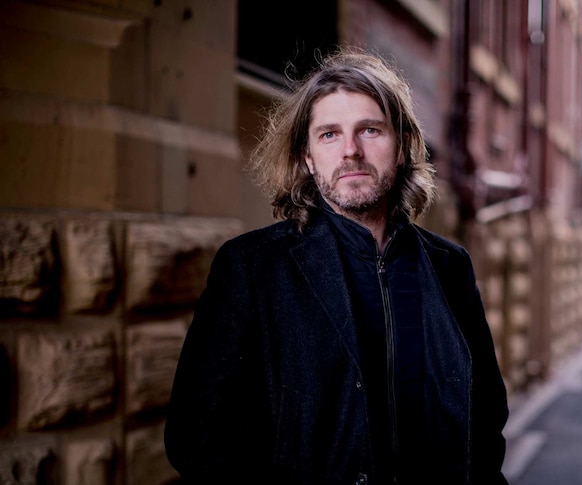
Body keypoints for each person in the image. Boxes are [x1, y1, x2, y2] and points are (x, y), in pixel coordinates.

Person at [164, 49, 509, 485]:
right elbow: (196, 438)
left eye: (370, 130)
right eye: (329, 134)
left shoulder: (449, 267)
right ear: (307, 157)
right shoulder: (253, 268)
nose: (351, 151)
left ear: (401, 146)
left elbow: (486, 415)